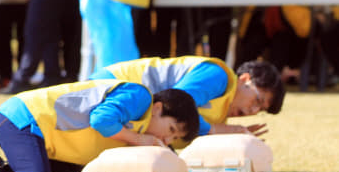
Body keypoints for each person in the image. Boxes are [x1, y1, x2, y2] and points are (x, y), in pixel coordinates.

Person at [0, 81, 199, 172]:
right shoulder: (140, 97)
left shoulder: (138, 128)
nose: (167, 139)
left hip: (33, 133)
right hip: (21, 119)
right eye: (172, 129)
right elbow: (101, 119)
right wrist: (137, 139)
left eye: (174, 139)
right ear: (159, 107)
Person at [91, 56, 285, 137]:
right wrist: (223, 130)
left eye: (261, 110)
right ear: (244, 79)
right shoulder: (217, 75)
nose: (252, 111)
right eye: (258, 100)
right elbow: (175, 104)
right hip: (109, 88)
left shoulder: (220, 109)